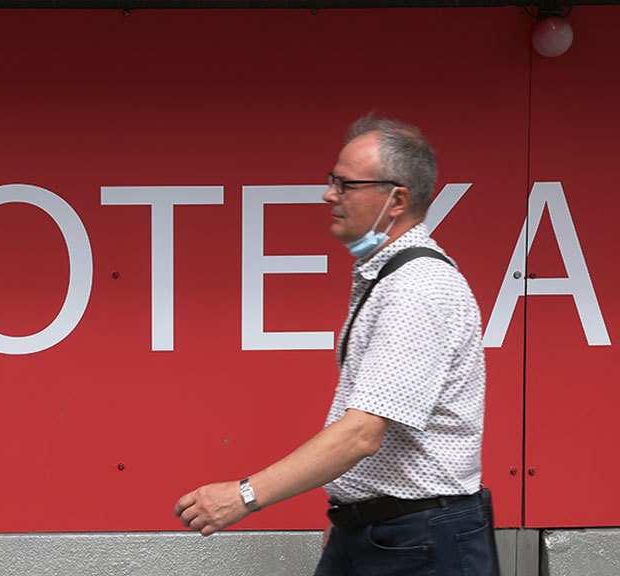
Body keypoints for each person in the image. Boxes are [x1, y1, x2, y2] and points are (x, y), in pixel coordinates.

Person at [173, 116, 495, 575]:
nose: (329, 195)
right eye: (332, 180)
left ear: (396, 200)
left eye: (346, 184)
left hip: (420, 542)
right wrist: (351, 514)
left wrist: (243, 495)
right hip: (381, 532)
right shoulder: (388, 279)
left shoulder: (415, 289)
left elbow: (362, 433)